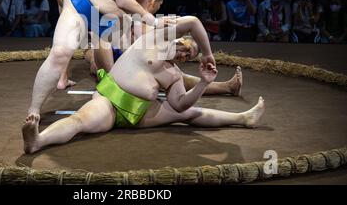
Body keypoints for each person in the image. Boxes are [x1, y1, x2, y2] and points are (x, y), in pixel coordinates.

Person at [25, 0, 215, 122]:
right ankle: (34, 110)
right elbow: (124, 0)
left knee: (136, 64)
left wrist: (141, 34)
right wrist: (154, 22)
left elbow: (141, 3)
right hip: (81, 5)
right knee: (60, 54)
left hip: (113, 22)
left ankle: (116, 99)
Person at [22, 16, 263, 154]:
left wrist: (202, 83)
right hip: (110, 104)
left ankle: (243, 118)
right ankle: (37, 140)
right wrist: (208, 54)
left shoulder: (174, 75)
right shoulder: (155, 40)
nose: (184, 55)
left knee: (190, 112)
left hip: (141, 116)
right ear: (177, 38)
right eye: (186, 48)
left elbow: (179, 105)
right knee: (79, 121)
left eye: (189, 57)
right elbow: (194, 22)